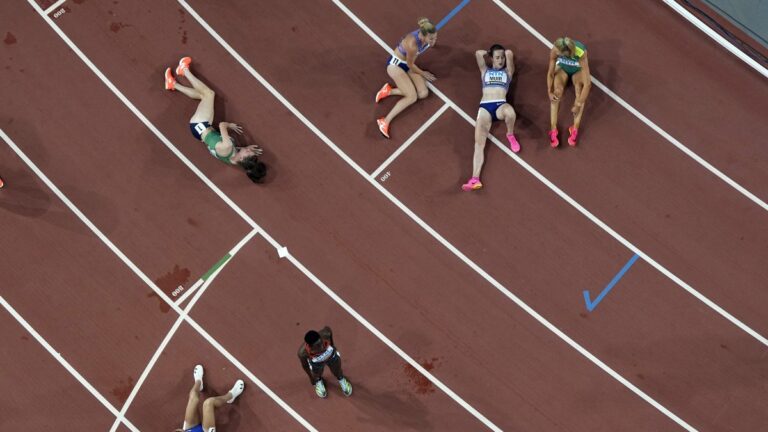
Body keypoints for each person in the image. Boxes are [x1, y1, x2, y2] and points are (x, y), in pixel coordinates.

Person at [164, 57, 267, 183]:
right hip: (202, 132)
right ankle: (172, 84)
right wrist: (245, 149)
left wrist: (230, 125)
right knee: (202, 95)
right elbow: (234, 152)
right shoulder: (235, 161)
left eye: (248, 152)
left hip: (199, 124)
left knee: (209, 94)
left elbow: (222, 125)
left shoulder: (228, 146)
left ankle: (184, 70)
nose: (248, 150)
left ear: (242, 158)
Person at [462, 45, 519, 192]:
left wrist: (502, 53)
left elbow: (509, 52)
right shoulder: (485, 71)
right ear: (492, 59)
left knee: (511, 113)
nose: (501, 60)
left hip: (500, 105)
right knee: (478, 144)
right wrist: (489, 52)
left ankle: (510, 134)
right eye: (497, 58)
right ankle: (475, 179)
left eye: (502, 58)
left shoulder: (508, 72)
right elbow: (477, 53)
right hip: (485, 108)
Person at [374, 18, 439, 138]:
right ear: (423, 36)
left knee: (423, 93)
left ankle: (389, 91)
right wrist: (423, 73)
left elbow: (411, 63)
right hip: (396, 66)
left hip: (408, 65)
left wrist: (432, 41)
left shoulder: (425, 37)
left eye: (435, 38)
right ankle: (385, 121)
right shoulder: (412, 44)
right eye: (431, 39)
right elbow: (411, 65)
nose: (434, 41)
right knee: (412, 97)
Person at [546, 37, 591, 147]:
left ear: (567, 53)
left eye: (559, 54)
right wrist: (549, 91)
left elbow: (587, 84)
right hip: (562, 68)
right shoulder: (556, 49)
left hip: (578, 70)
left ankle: (575, 129)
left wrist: (578, 104)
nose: (557, 54)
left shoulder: (581, 53)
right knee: (557, 92)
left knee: (579, 91)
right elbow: (550, 73)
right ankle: (553, 129)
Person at [174, 365, 244, 432]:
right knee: (209, 402)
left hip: (191, 428)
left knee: (193, 396)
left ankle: (199, 382)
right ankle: (231, 395)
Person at [298, 327, 352, 398]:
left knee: (337, 370)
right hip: (317, 364)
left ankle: (341, 379)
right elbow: (305, 366)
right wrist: (311, 377)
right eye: (317, 346)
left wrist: (333, 346)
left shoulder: (326, 333)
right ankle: (318, 381)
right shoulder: (303, 353)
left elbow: (329, 333)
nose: (321, 347)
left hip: (331, 357)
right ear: (310, 347)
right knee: (317, 375)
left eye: (321, 343)